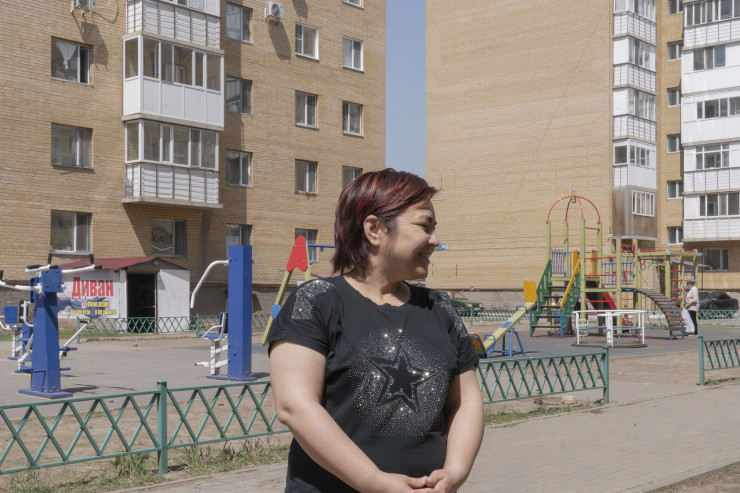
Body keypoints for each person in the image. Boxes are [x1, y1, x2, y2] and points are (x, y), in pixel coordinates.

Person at [268, 169, 484, 493]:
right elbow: (295, 407)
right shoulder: (316, 302)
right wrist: (375, 482)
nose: (435, 240)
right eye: (424, 226)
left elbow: (465, 401)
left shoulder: (440, 308)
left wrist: (456, 471)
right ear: (375, 229)